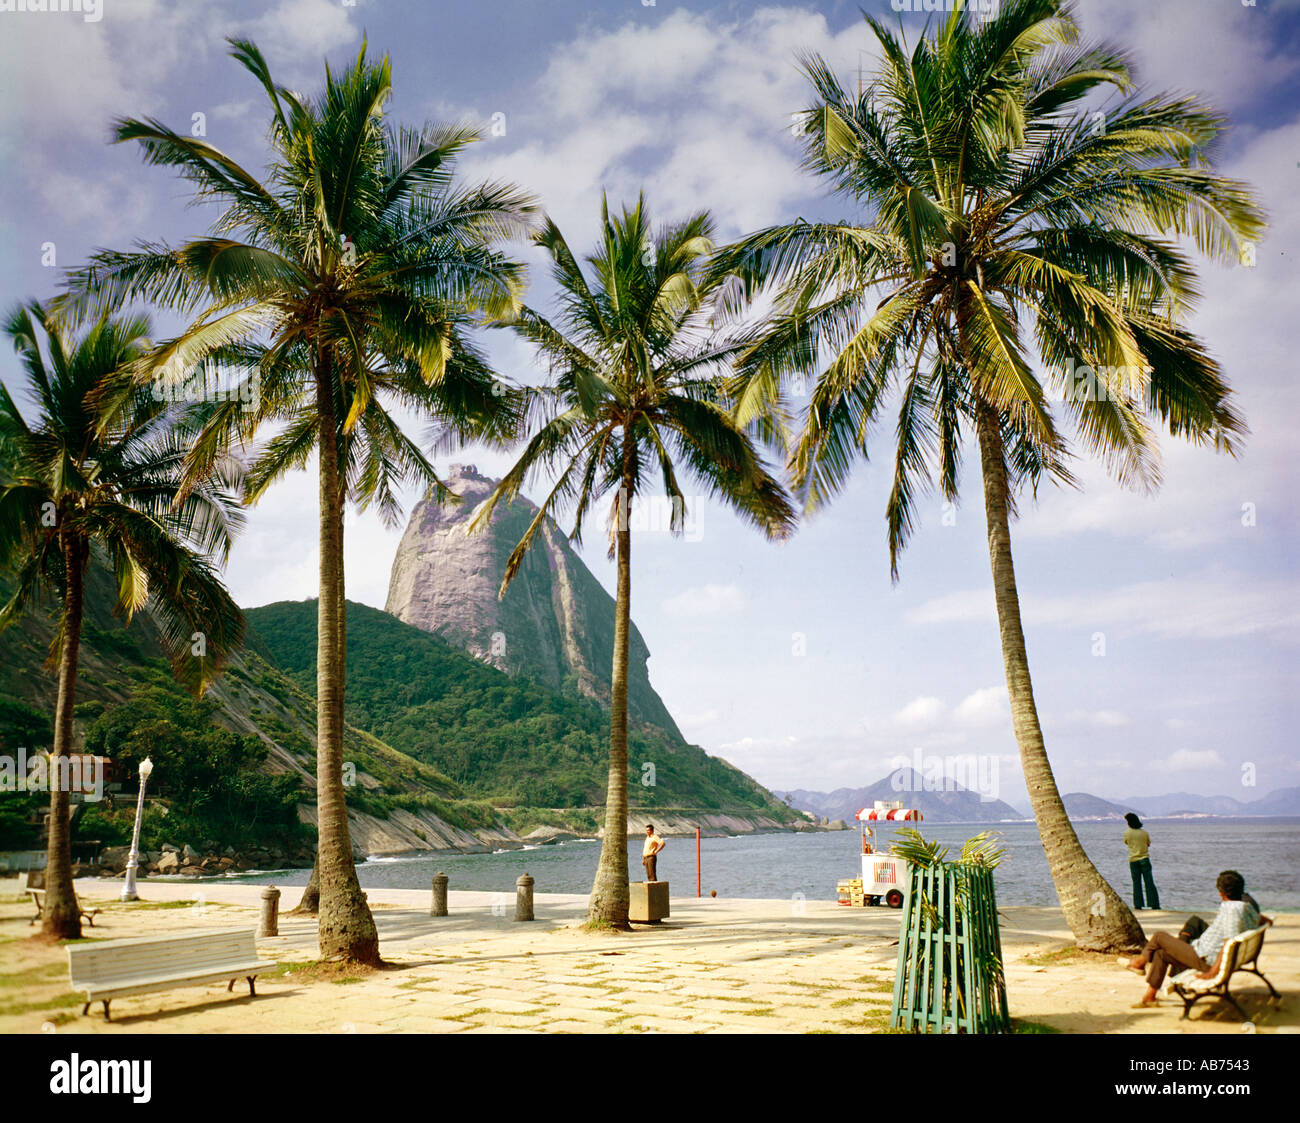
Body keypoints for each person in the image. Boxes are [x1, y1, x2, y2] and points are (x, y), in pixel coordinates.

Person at [1121, 870, 1260, 1007]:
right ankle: (1149, 996)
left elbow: (1228, 942)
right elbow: (1259, 919)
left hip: (1205, 959)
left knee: (1158, 936)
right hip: (1204, 952)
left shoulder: (1231, 910)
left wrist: (1213, 971)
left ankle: (1139, 963)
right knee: (1160, 954)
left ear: (1221, 893)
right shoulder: (1246, 907)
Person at [1123, 812, 1159, 910]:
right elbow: (1148, 844)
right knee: (1149, 882)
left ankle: (1138, 904)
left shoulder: (1127, 833)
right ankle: (1154, 904)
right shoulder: (1144, 833)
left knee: (1136, 883)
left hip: (1133, 860)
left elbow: (1126, 842)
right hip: (1144, 859)